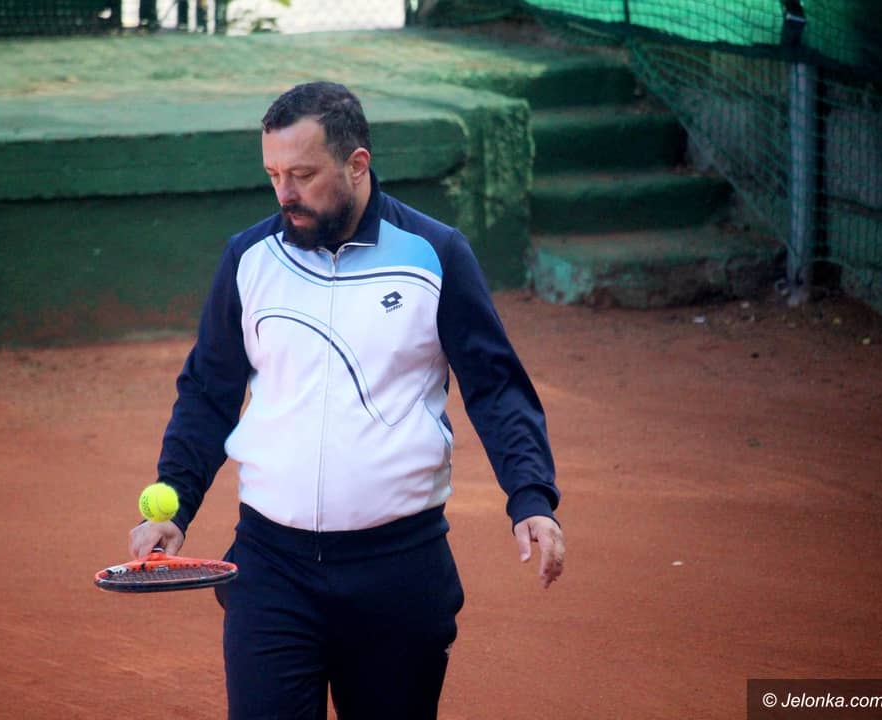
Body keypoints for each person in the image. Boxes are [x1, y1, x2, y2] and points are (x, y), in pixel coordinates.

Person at [128, 81, 564, 720]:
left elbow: (495, 387)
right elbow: (207, 392)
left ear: (357, 164)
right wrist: (177, 498)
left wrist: (530, 495)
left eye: (303, 175)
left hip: (400, 571)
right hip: (271, 569)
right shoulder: (249, 259)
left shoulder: (435, 255)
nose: (285, 193)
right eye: (274, 175)